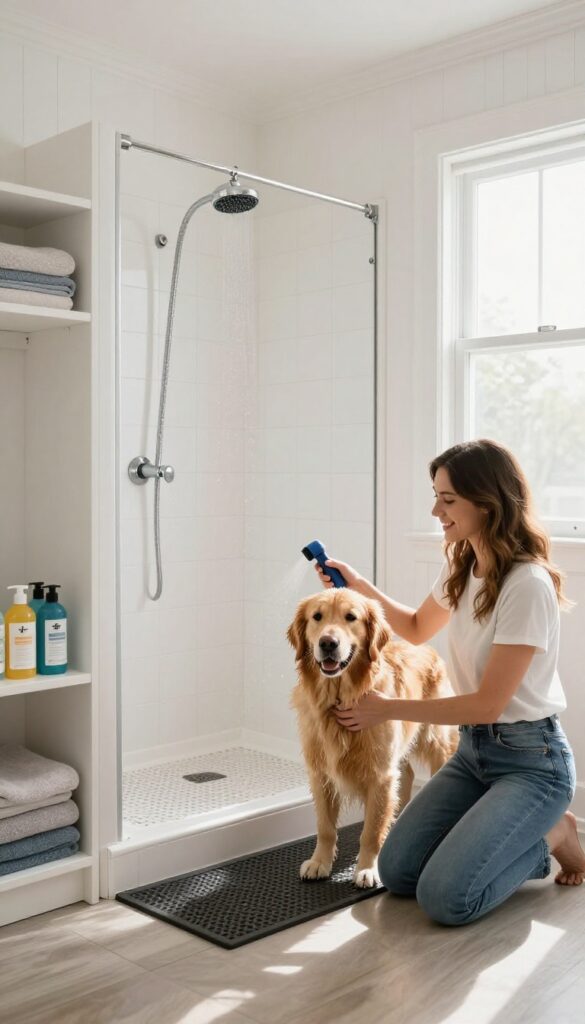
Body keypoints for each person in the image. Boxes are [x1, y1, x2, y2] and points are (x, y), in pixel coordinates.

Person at [314, 438, 585, 926]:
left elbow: (486, 705)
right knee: (397, 872)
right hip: (474, 754)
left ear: (488, 502)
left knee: (447, 900)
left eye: (448, 498)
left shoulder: (527, 585)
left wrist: (386, 708)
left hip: (532, 762)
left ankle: (555, 836)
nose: (435, 509)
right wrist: (354, 584)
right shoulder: (463, 566)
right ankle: (518, 833)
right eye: (436, 494)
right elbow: (417, 626)